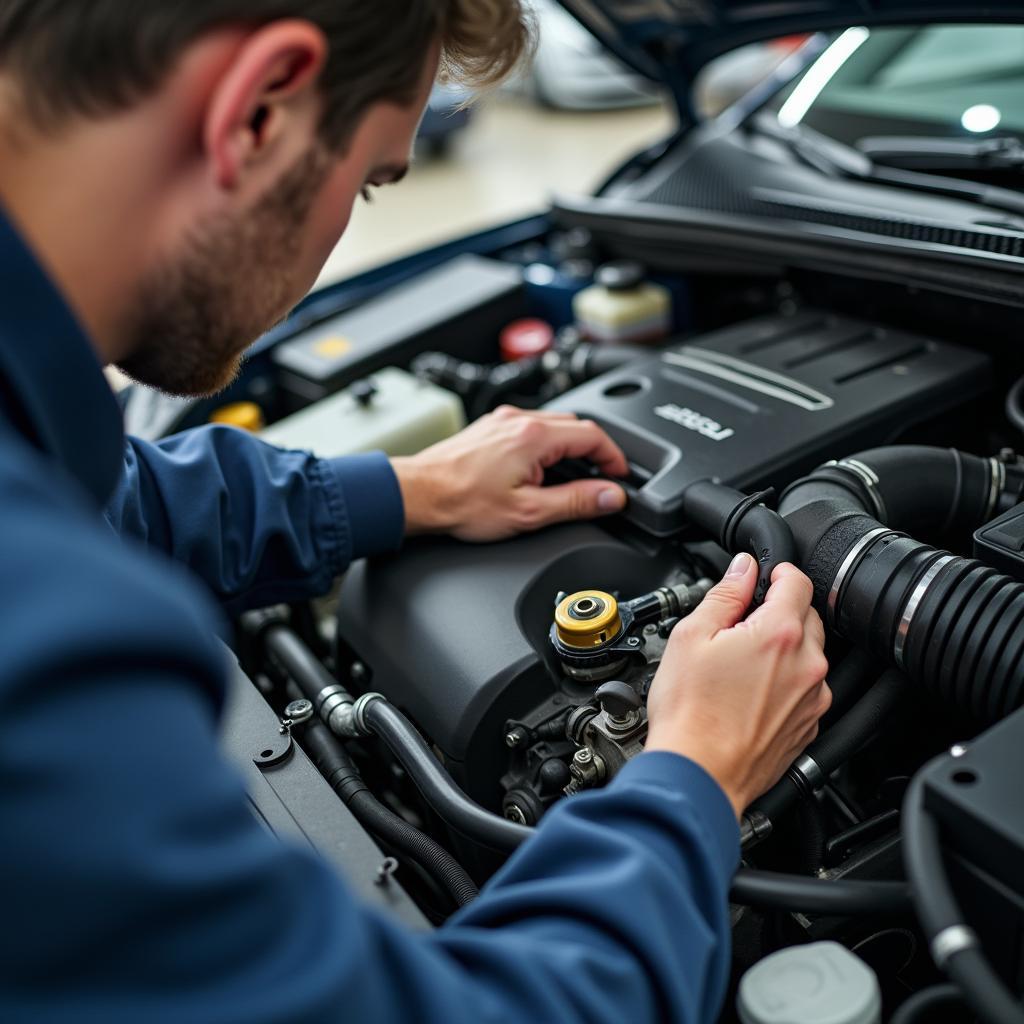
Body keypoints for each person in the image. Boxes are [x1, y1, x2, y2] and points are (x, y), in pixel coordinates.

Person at [0, 2, 831, 1021]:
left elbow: (106, 497)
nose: (351, 214)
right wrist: (692, 777)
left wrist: (401, 490)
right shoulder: (41, 657)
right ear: (258, 110)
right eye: (367, 178)